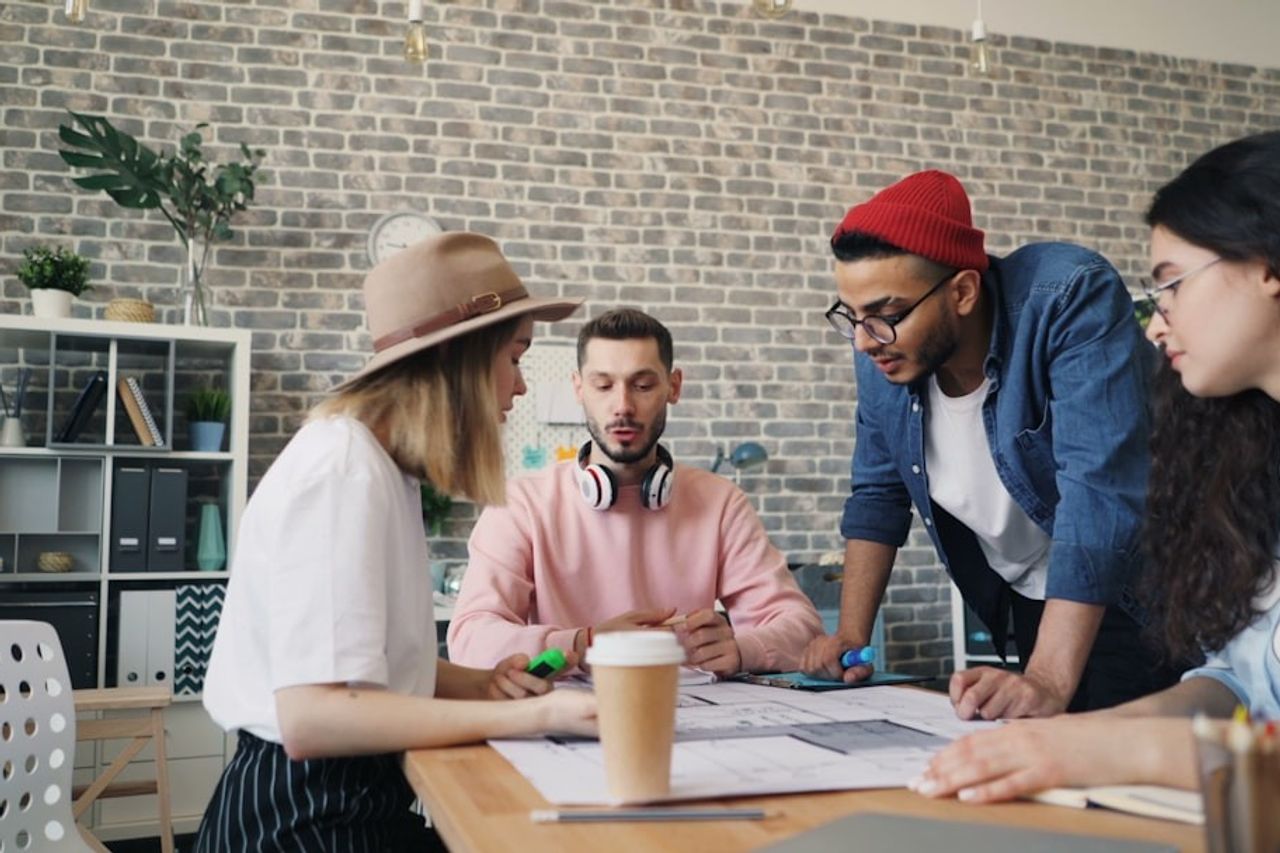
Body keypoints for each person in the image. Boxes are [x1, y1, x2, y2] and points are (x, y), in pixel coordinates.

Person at [194, 233, 597, 851]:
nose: (519, 387)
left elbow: (365, 666)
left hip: (345, 800)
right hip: (303, 816)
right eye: (515, 358)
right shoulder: (343, 473)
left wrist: (483, 684)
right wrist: (533, 715)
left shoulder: (378, 466)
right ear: (458, 359)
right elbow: (315, 716)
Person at [913, 131, 1280, 801]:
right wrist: (1067, 734)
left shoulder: (1064, 294)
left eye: (1172, 285)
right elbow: (1238, 683)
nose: (1156, 324)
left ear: (1268, 267)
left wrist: (1106, 747)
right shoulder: (1251, 470)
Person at [801, 169, 1178, 716]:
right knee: (1041, 749)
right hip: (1032, 599)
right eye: (852, 317)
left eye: (885, 315)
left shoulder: (1066, 297)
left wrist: (1046, 676)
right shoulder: (885, 355)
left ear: (962, 291)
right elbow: (878, 493)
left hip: (1143, 587)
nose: (864, 341)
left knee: (1125, 756)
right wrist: (850, 638)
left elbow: (1098, 492)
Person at [447, 308, 824, 677]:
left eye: (642, 386)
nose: (623, 406)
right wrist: (583, 644)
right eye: (603, 385)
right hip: (566, 711)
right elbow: (470, 640)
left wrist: (742, 649)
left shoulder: (721, 502)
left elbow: (803, 627)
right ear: (579, 388)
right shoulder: (520, 504)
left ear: (673, 387)